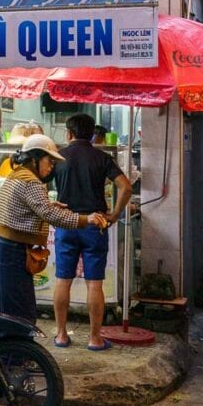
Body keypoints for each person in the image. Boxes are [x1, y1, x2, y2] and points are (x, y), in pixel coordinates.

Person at [0, 134, 108, 324]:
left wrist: (49, 205)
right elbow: (51, 216)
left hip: (3, 244)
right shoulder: (32, 182)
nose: (52, 166)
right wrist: (87, 219)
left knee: (8, 306)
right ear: (35, 158)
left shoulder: (17, 174)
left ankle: (8, 351)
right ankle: (15, 352)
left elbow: (29, 207)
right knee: (21, 312)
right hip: (14, 248)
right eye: (49, 161)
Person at [52, 113, 132, 351]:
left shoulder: (58, 157)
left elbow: (38, 181)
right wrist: (115, 214)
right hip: (95, 224)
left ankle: (61, 335)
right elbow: (126, 186)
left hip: (67, 223)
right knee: (94, 283)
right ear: (93, 135)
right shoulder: (101, 157)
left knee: (62, 279)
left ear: (69, 133)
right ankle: (95, 338)